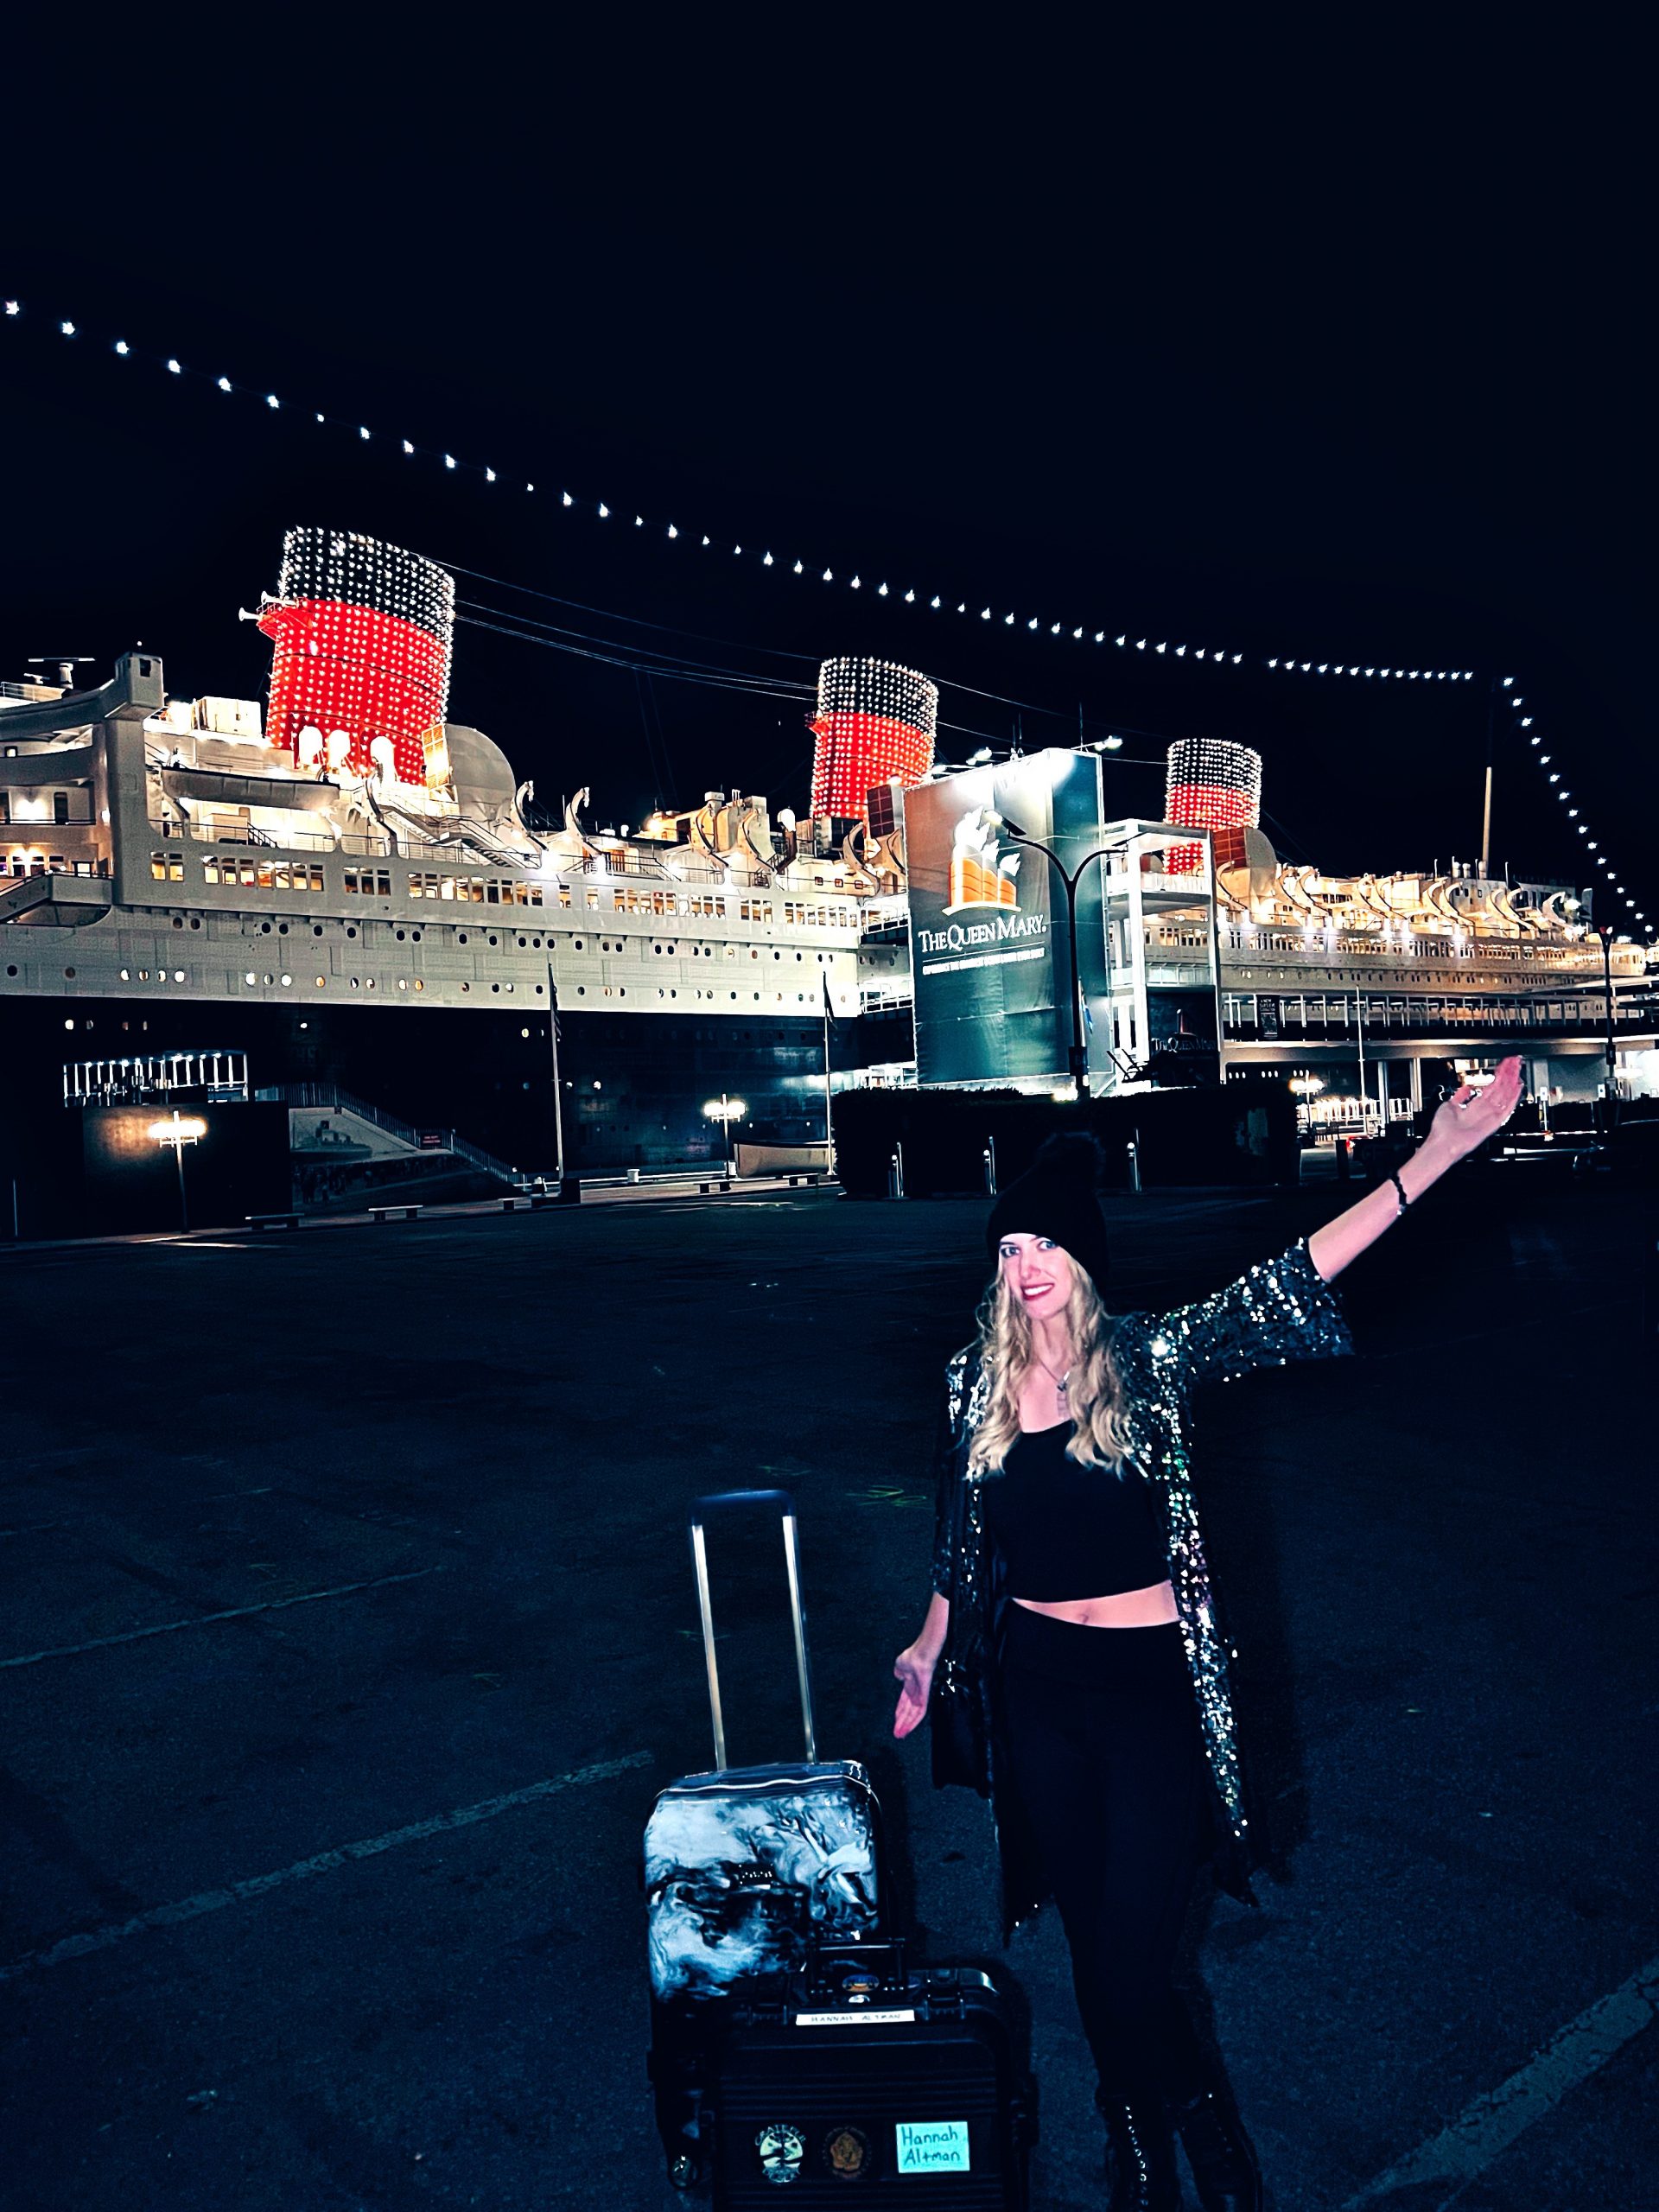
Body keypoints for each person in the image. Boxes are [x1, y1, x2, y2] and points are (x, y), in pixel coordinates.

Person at [892, 1059, 1523, 2211]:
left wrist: (1436, 1155)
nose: (1026, 1268)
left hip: (1149, 1692)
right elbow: (960, 1533)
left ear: (1084, 1256)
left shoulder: (1149, 1359)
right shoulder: (967, 1386)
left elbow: (1288, 1281)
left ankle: (1197, 2135)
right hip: (1038, 1689)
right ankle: (1146, 2146)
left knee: (1134, 1956)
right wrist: (931, 1645)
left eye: (1046, 1245)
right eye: (1010, 1249)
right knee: (1094, 1946)